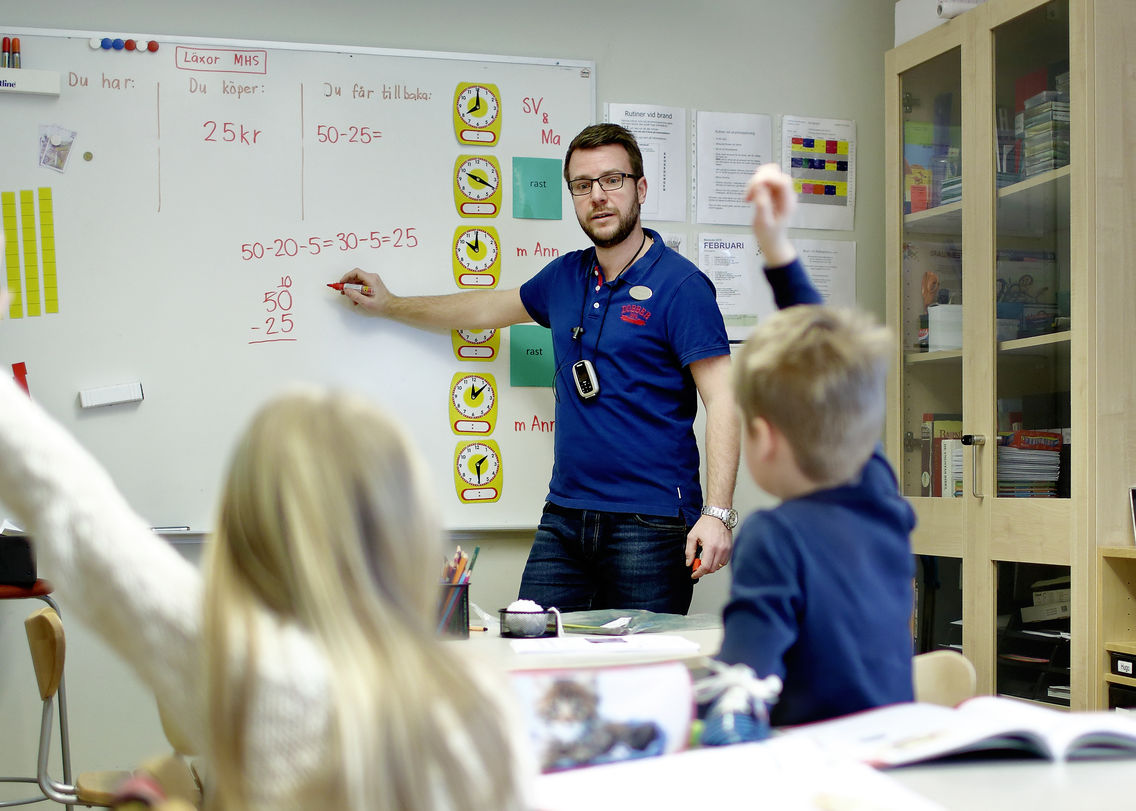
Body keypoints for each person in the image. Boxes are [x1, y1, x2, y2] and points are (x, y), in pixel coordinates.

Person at [0, 219, 530, 811]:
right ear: (411, 521)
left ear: (247, 525)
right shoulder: (481, 703)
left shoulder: (246, 670)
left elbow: (84, 518)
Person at [338, 123, 740, 615]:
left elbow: (723, 399)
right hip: (565, 518)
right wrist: (391, 304)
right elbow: (482, 310)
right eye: (583, 185)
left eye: (612, 180)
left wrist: (718, 515)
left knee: (636, 676)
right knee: (532, 654)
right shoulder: (565, 276)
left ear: (640, 187)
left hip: (649, 524)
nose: (598, 196)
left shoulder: (681, 286)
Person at [705, 163, 917, 735]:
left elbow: (741, 688)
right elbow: (833, 366)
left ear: (764, 438)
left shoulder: (775, 538)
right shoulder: (881, 503)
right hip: (894, 763)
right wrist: (778, 250)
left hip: (814, 775)